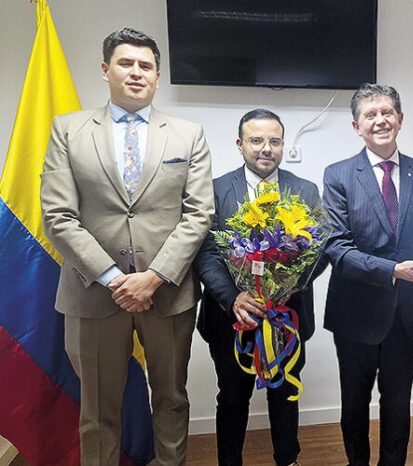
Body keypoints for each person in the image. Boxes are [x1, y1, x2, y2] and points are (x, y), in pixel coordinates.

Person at [40, 28, 214, 465]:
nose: (136, 73)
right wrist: (117, 279)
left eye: (146, 66)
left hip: (168, 293)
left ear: (157, 77)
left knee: (172, 399)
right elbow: (58, 216)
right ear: (105, 70)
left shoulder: (188, 134)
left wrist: (153, 278)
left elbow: (198, 215)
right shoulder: (69, 130)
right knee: (98, 410)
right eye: (126, 63)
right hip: (94, 292)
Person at [194, 108, 325, 466]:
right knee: (232, 398)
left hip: (288, 317)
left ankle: (288, 459)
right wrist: (233, 297)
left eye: (274, 141)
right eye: (256, 140)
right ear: (240, 145)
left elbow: (319, 252)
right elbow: (205, 252)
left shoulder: (305, 190)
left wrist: (287, 287)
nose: (266, 148)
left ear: (282, 144)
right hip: (230, 318)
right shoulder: (216, 190)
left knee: (284, 396)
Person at [322, 83, 413, 466]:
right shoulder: (339, 175)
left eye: (387, 113)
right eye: (370, 115)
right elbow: (337, 249)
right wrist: (393, 270)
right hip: (354, 314)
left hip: (406, 316)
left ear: (401, 120)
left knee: (398, 404)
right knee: (354, 405)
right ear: (357, 126)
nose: (380, 121)